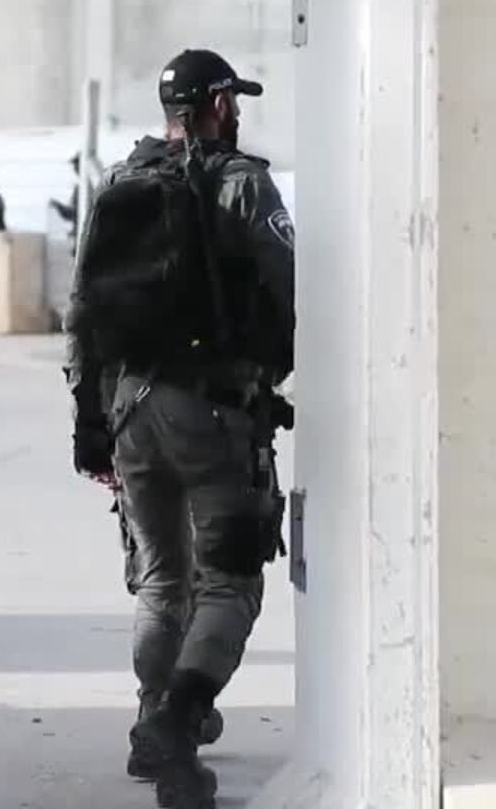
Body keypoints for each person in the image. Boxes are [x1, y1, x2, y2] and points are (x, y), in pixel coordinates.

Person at [63, 49, 295, 809]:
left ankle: (149, 720)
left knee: (162, 578)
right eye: (235, 102)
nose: (239, 114)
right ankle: (178, 721)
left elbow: (82, 312)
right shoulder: (242, 184)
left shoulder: (120, 183)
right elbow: (292, 289)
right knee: (229, 581)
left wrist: (89, 421)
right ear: (219, 105)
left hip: (131, 409)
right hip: (214, 412)